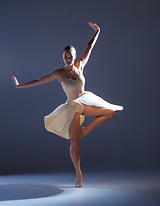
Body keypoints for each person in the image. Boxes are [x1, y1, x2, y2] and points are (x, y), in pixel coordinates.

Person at [12, 22, 123, 188]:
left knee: (109, 112)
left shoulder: (80, 66)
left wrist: (98, 32)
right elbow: (39, 80)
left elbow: (89, 46)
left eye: (70, 56)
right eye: (65, 57)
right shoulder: (59, 73)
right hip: (72, 109)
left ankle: (84, 131)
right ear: (62, 57)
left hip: (85, 100)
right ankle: (79, 174)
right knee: (74, 142)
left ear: (74, 55)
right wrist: (20, 86)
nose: (68, 59)